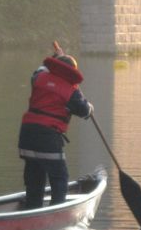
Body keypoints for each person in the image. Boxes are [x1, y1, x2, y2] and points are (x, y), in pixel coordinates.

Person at [18, 42, 93, 209]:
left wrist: (56, 58)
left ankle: (32, 209)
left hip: (27, 135)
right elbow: (84, 110)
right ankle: (57, 211)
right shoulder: (71, 91)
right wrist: (90, 108)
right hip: (48, 138)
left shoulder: (38, 78)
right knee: (59, 177)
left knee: (34, 177)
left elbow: (42, 68)